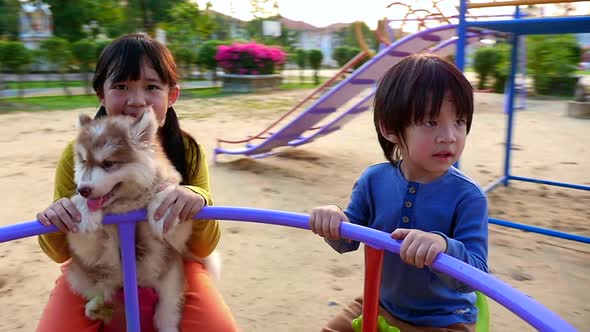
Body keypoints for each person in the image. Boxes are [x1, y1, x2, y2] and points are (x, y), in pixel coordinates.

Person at [35, 33, 239, 332]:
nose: (137, 100)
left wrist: (197, 199)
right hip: (96, 268)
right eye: (121, 86)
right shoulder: (77, 153)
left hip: (170, 262)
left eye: (152, 87)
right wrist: (56, 218)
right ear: (101, 96)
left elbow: (205, 244)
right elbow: (59, 252)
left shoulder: (186, 149)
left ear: (172, 96)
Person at [309, 54, 489, 332]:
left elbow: (476, 275)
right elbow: (347, 241)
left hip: (445, 318)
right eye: (431, 122)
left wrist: (442, 246)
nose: (449, 136)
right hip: (380, 303)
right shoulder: (374, 180)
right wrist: (332, 220)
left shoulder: (469, 197)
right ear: (390, 128)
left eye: (460, 122)